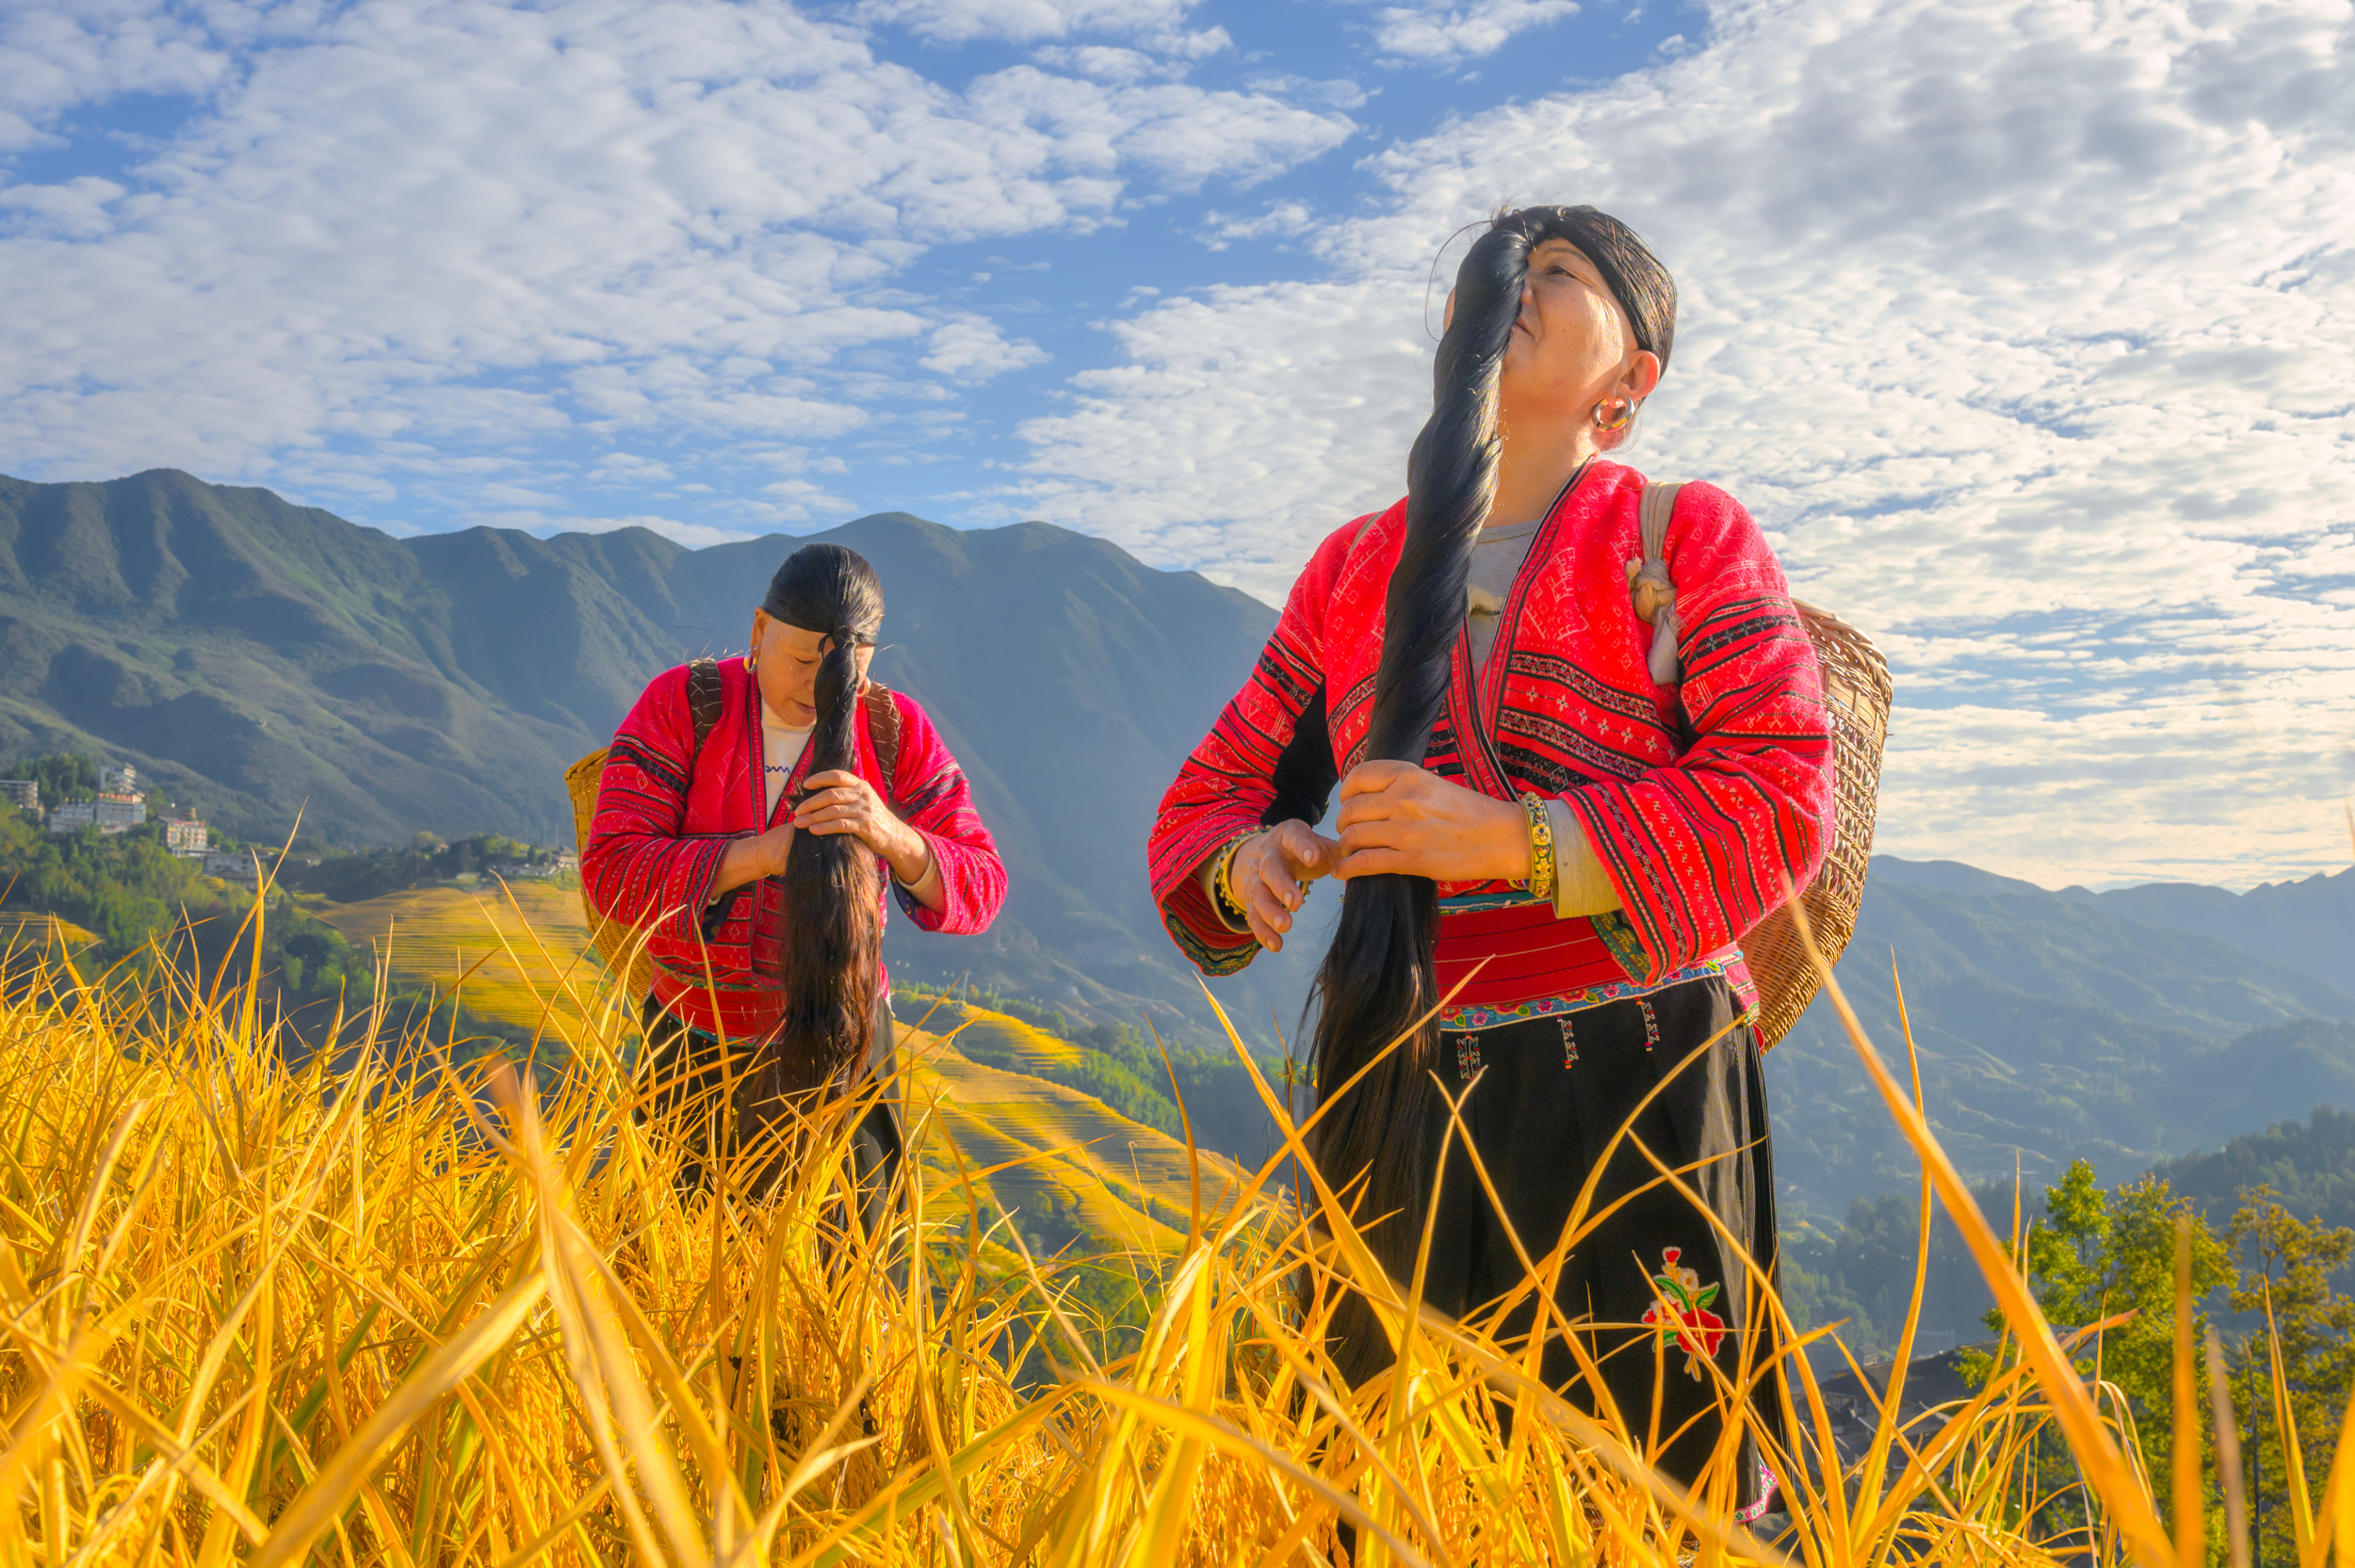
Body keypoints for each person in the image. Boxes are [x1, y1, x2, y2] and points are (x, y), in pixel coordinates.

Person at [1145, 205, 1833, 1518]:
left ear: (1629, 386)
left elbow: (1783, 788)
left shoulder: (1683, 535)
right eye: (1497, 272)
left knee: (1637, 1497)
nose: (1517, 282)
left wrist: (1516, 843)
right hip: (1394, 1087)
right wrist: (1256, 862)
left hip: (1636, 1087)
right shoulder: (1353, 569)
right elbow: (1206, 804)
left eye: (1559, 273)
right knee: (1379, 1493)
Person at [584, 542, 1005, 1226]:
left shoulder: (893, 728)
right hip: (696, 1046)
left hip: (847, 1043)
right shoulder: (685, 705)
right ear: (757, 631)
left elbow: (983, 885)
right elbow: (613, 870)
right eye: (802, 660)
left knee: (850, 1282)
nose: (818, 686)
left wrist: (889, 833)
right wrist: (763, 854)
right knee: (686, 1278)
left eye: (844, 671)